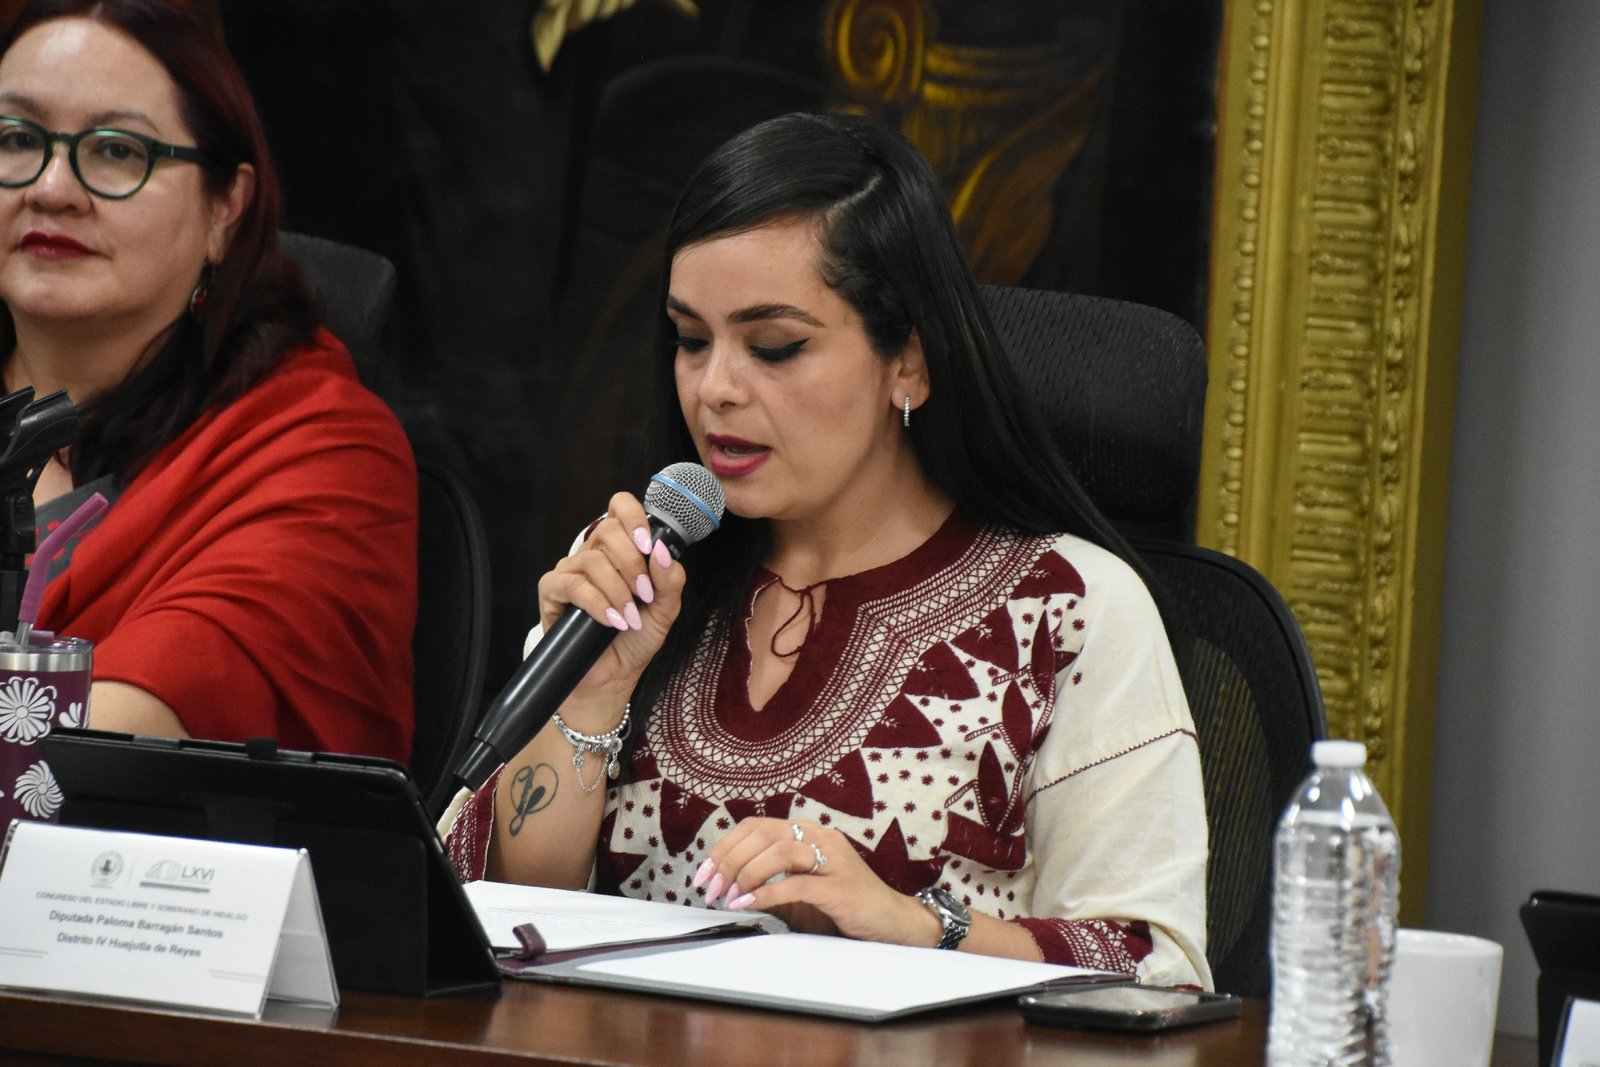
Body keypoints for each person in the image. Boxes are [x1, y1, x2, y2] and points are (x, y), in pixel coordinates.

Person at [443, 111, 1210, 987]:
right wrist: (588, 698)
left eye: (775, 347)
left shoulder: (1071, 607)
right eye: (690, 339)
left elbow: (1157, 972)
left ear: (908, 362)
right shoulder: (638, 569)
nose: (715, 388)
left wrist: (913, 926)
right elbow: (508, 920)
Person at [0, 0, 417, 824]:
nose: (52, 188)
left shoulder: (322, 454)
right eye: (16, 139)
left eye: (116, 151)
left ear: (226, 207)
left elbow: (99, 750)